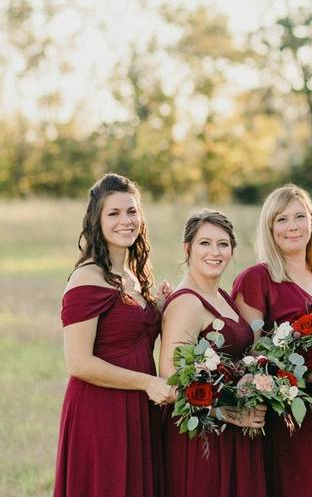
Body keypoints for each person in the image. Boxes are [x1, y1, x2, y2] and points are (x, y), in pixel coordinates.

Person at [54, 173, 173, 497]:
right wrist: (148, 383)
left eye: (132, 211)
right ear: (97, 220)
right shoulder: (86, 278)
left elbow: (132, 332)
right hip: (101, 410)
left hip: (139, 409)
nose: (126, 220)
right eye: (114, 213)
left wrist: (159, 307)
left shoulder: (134, 276)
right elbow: (78, 363)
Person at [232, 185, 312, 497]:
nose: (293, 226)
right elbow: (247, 356)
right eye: (282, 219)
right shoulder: (257, 278)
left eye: (300, 217)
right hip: (286, 418)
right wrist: (300, 373)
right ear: (270, 228)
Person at [160, 210, 266, 497]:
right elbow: (170, 379)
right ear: (187, 249)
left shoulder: (222, 297)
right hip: (203, 438)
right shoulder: (187, 303)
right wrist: (224, 412)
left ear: (232, 250)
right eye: (205, 243)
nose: (215, 252)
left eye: (223, 244)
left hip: (234, 431)